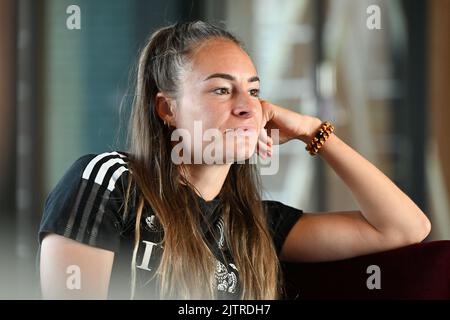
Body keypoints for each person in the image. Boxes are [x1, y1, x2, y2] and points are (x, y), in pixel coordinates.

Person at [38, 21, 431, 300]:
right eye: (222, 90)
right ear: (167, 108)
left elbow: (404, 227)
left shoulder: (256, 223)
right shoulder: (109, 182)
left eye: (255, 91)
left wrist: (314, 132)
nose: (248, 107)